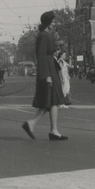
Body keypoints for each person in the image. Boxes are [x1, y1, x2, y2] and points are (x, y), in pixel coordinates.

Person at [22, 11, 68, 141]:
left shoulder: (47, 35)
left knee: (52, 100)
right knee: (50, 99)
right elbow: (41, 56)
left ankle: (52, 130)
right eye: (53, 21)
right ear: (48, 23)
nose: (55, 23)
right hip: (48, 71)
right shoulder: (43, 36)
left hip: (51, 70)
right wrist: (46, 75)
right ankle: (36, 125)